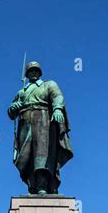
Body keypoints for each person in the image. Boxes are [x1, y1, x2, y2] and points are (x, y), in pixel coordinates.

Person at [7, 61, 73, 195]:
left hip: (43, 120)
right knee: (27, 156)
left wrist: (58, 109)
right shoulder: (21, 92)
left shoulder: (48, 85)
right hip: (24, 123)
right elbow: (11, 112)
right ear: (27, 74)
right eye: (31, 71)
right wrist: (12, 108)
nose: (33, 73)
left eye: (36, 70)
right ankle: (32, 185)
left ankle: (42, 186)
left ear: (40, 72)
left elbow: (58, 96)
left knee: (41, 155)